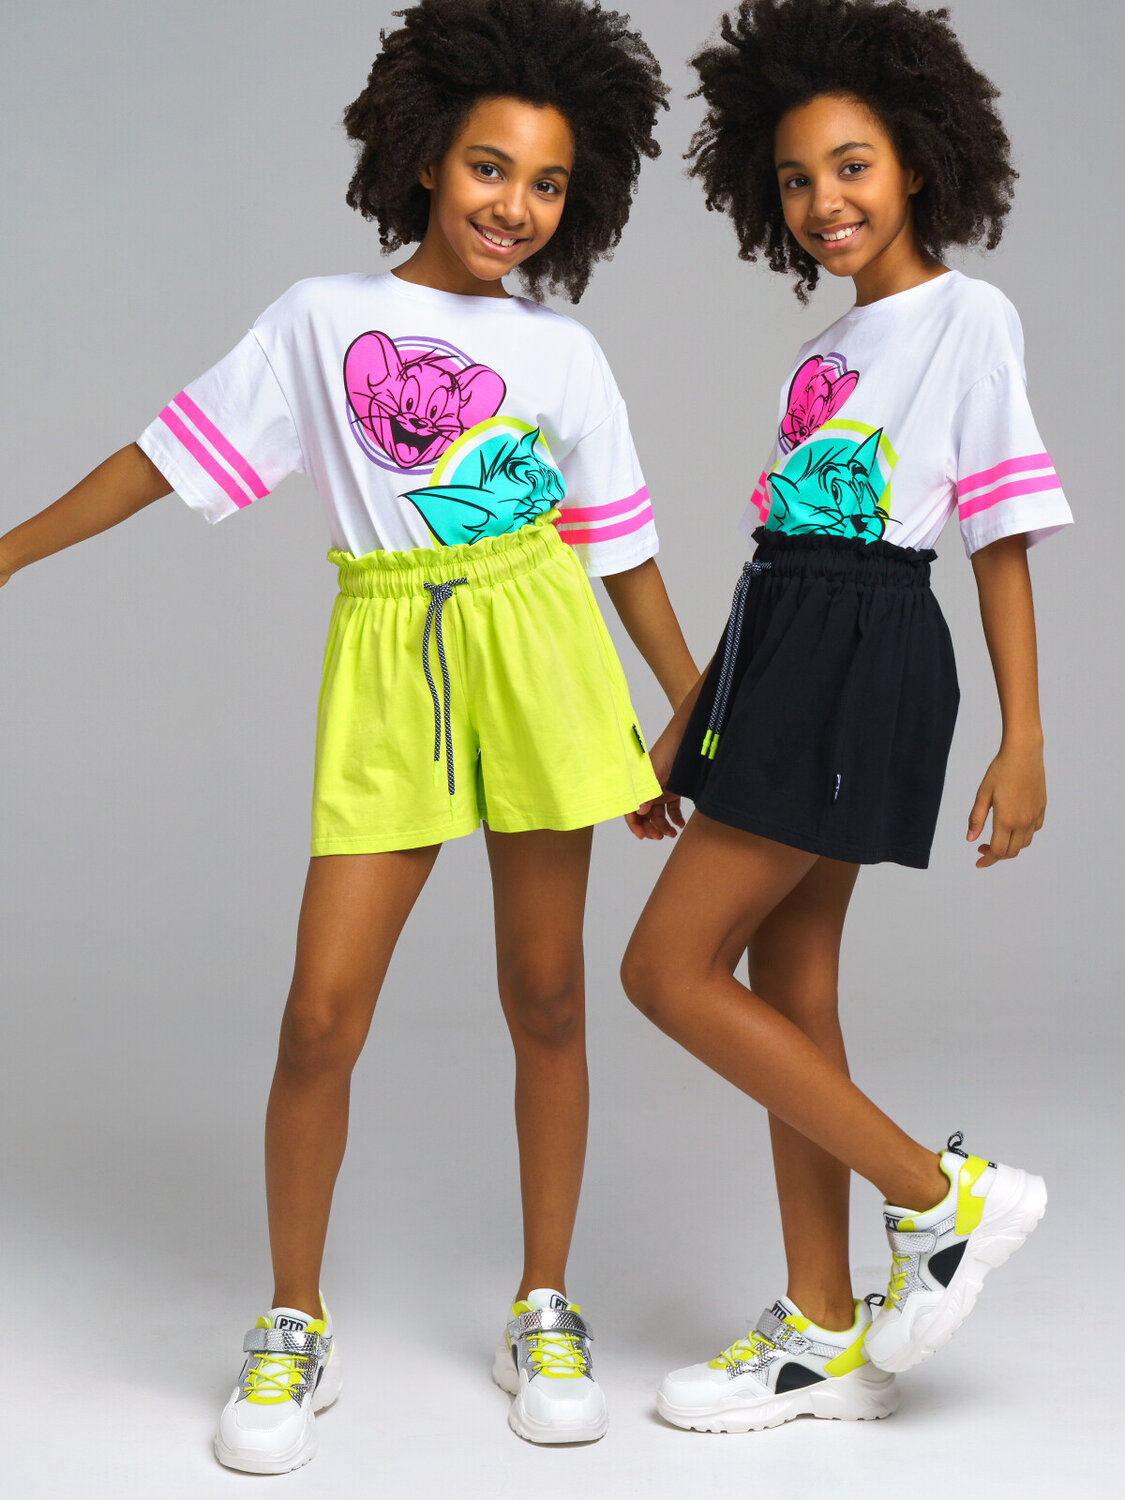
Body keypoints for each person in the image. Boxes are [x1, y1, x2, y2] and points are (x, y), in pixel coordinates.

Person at [0, 0, 697, 1470]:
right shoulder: (320, 320)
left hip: (541, 649)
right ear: (427, 156)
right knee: (319, 1015)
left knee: (546, 996)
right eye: (490, 168)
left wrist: (685, 702)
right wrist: (7, 553)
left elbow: (619, 550)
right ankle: (291, 1319)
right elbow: (162, 455)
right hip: (392, 656)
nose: (513, 206)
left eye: (548, 183)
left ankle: (544, 1302)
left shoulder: (566, 354)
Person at [621, 0, 1071, 1434]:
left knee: (664, 971)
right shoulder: (822, 352)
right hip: (787, 647)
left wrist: (1024, 735)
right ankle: (823, 1329)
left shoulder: (967, 317)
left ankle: (941, 1201)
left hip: (860, 648)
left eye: (854, 165)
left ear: (920, 162)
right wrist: (694, 717)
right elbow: (779, 552)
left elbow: (996, 535)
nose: (826, 199)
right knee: (791, 988)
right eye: (799, 177)